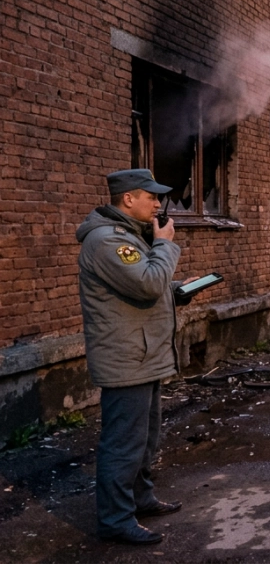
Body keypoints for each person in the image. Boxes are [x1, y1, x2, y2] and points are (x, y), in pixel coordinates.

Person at [77, 169, 188, 545]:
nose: (158, 204)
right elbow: (147, 283)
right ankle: (115, 519)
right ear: (128, 199)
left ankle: (140, 499)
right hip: (127, 359)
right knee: (123, 443)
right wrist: (166, 245)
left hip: (145, 354)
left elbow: (149, 284)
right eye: (151, 197)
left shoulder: (128, 237)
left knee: (145, 438)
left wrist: (176, 289)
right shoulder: (108, 241)